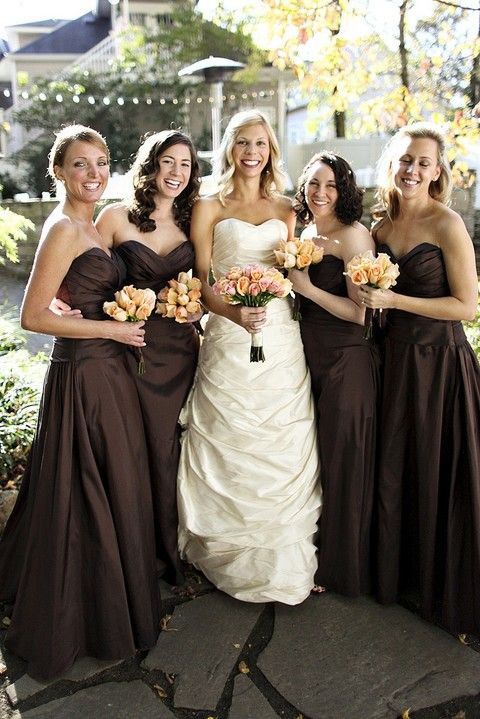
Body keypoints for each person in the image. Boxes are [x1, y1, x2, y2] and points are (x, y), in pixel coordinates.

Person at [0, 125, 159, 680]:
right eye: (80, 165)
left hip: (109, 370)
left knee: (111, 479)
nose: (94, 174)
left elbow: (71, 298)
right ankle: (84, 615)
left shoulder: (91, 227)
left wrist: (114, 313)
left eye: (101, 163)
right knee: (87, 485)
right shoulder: (64, 228)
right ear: (59, 173)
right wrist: (111, 331)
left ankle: (107, 597)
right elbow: (32, 316)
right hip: (86, 374)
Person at [176, 109, 321, 605]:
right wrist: (236, 316)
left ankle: (282, 559)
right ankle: (226, 554)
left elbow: (295, 270)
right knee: (230, 433)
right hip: (229, 333)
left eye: (260, 143)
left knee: (281, 435)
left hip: (279, 335)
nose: (252, 152)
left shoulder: (287, 209)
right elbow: (201, 280)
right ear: (230, 149)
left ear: (271, 150)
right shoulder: (207, 205)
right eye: (243, 142)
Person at [359, 122, 480, 635]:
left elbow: (468, 306)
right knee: (395, 466)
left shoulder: (447, 223)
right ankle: (399, 575)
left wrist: (394, 299)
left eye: (424, 162)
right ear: (393, 162)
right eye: (406, 159)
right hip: (392, 362)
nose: (413, 169)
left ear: (437, 172)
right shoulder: (379, 228)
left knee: (437, 467)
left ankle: (442, 582)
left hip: (440, 364)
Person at [95, 130, 201, 586]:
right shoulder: (116, 217)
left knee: (168, 446)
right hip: (127, 347)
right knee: (130, 447)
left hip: (179, 352)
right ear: (151, 164)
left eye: (185, 164)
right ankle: (129, 548)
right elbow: (84, 274)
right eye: (168, 162)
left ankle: (167, 547)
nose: (176, 173)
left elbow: (208, 282)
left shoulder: (195, 220)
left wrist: (196, 306)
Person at [291, 152, 379, 597]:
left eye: (330, 185)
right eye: (313, 184)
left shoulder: (353, 237)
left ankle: (343, 568)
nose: (320, 193)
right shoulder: (304, 232)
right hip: (306, 358)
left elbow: (359, 315)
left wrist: (305, 288)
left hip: (345, 360)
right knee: (316, 458)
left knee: (345, 459)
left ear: (343, 190)